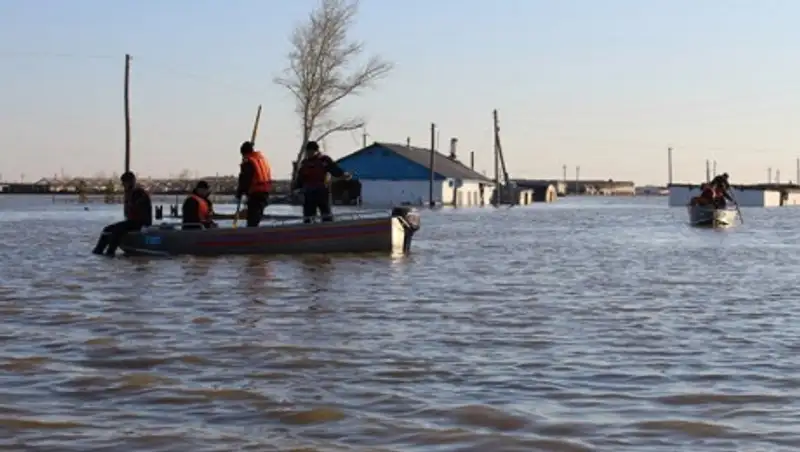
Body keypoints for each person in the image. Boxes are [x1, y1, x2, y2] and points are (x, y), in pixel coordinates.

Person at [92, 171, 152, 256]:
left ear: (130, 182)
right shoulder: (131, 193)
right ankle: (98, 251)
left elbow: (137, 211)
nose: (123, 186)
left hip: (141, 222)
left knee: (118, 229)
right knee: (107, 229)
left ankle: (110, 252)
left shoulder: (139, 193)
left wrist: (129, 205)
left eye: (124, 183)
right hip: (133, 221)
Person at [292, 141, 351, 223]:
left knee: (326, 213)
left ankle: (328, 226)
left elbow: (334, 169)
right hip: (309, 193)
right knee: (308, 215)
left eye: (311, 151)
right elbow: (300, 178)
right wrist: (296, 188)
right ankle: (308, 227)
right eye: (308, 152)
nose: (309, 153)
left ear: (316, 151)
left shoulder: (324, 160)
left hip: (322, 191)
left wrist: (343, 174)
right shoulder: (305, 163)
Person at [235, 141, 272, 227]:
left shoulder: (249, 162)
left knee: (252, 220)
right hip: (265, 193)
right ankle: (254, 231)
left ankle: (251, 232)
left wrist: (239, 193)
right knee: (256, 217)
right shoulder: (262, 159)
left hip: (255, 194)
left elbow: (245, 179)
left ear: (244, 153)